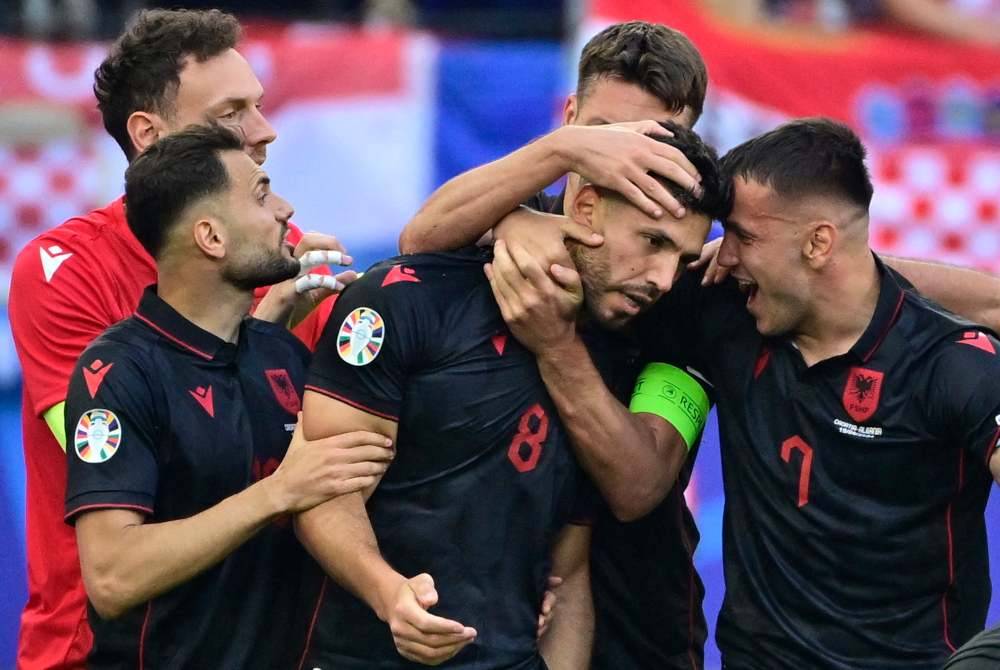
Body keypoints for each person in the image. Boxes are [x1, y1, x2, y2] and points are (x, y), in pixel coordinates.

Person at [400, 19, 1000, 670]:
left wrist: (819, 265)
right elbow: (421, 242)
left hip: (640, 631)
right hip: (468, 620)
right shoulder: (498, 232)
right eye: (603, 141)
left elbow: (639, 484)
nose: (623, 168)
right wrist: (536, 186)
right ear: (569, 120)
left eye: (654, 151)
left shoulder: (689, 293)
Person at [292, 121, 727, 669]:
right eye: (653, 242)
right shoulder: (406, 298)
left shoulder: (630, 354)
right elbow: (321, 492)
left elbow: (571, 576)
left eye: (685, 258)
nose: (665, 278)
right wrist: (388, 593)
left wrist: (558, 347)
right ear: (586, 207)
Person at [7, 9, 349, 668]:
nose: (264, 130)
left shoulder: (289, 261)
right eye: (232, 112)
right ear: (150, 134)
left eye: (259, 105)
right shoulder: (62, 271)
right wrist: (265, 328)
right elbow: (143, 465)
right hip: (98, 648)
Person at [63, 124, 395, 668]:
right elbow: (113, 576)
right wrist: (277, 493)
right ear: (210, 237)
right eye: (262, 194)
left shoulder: (280, 352)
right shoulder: (118, 372)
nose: (285, 209)